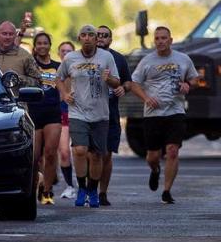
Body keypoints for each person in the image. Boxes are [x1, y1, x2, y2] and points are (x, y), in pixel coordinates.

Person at [129, 26, 198, 205]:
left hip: (176, 111)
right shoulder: (147, 61)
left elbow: (194, 78)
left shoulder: (183, 59)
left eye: (163, 38)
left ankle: (167, 191)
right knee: (152, 156)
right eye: (157, 38)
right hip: (153, 114)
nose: (160, 41)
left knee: (172, 151)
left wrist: (188, 85)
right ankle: (155, 170)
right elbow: (133, 84)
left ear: (171, 40)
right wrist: (146, 97)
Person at [57, 25, 120, 208]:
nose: (87, 38)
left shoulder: (106, 57)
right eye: (83, 35)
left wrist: (109, 79)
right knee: (79, 150)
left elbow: (117, 82)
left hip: (100, 114)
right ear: (79, 38)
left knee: (97, 155)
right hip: (78, 111)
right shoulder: (70, 58)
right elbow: (59, 78)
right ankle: (82, 187)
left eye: (90, 35)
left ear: (95, 39)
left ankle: (93, 189)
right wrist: (64, 94)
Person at [96, 25, 132, 206]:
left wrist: (122, 88)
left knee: (107, 154)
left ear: (110, 39)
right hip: (90, 111)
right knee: (90, 154)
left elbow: (128, 82)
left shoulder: (118, 59)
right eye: (98, 35)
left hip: (111, 111)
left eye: (105, 35)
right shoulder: (85, 58)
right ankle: (89, 188)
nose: (101, 38)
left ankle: (102, 193)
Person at [31, 32, 62, 205]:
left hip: (52, 113)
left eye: (45, 43)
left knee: (50, 154)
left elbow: (65, 89)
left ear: (50, 45)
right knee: (34, 157)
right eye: (39, 43)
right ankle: (36, 184)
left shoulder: (58, 66)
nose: (42, 46)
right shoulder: (29, 64)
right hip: (34, 112)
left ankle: (48, 191)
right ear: (35, 46)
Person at [0, 21, 41, 87]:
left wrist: (19, 80)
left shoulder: (25, 56)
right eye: (4, 34)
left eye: (11, 34)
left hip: (16, 96)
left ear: (15, 36)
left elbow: (38, 81)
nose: (7, 37)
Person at [56, 40, 76, 199]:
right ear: (58, 53)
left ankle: (86, 185)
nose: (66, 53)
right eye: (63, 51)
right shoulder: (55, 70)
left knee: (81, 151)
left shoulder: (79, 68)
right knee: (64, 152)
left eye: (69, 50)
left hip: (78, 113)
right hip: (61, 113)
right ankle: (70, 185)